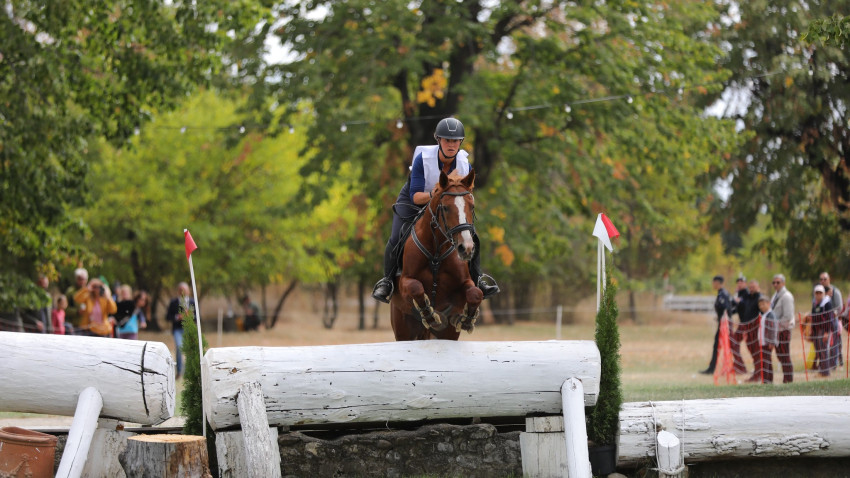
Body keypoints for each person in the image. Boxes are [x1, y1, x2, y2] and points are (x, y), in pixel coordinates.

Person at [371, 117, 499, 303]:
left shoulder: (464, 165)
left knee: (471, 235)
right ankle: (387, 281)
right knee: (397, 236)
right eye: (447, 140)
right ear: (438, 140)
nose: (451, 144)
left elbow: (467, 193)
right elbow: (416, 196)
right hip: (414, 201)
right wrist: (438, 195)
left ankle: (478, 278)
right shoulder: (423, 160)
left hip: (446, 204)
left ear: (460, 142)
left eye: (455, 141)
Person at [700, 275, 734, 374]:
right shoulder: (721, 293)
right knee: (719, 346)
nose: (713, 284)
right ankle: (713, 367)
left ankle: (719, 368)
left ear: (717, 283)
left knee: (725, 346)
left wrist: (723, 319)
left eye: (713, 282)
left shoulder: (723, 294)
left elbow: (727, 309)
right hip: (722, 323)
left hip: (725, 325)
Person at [730, 279, 761, 376]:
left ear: (758, 287)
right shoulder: (747, 296)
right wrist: (737, 293)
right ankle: (740, 367)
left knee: (753, 348)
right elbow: (737, 305)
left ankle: (758, 370)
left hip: (753, 326)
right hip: (743, 324)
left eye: (753, 287)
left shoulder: (759, 298)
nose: (751, 289)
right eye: (750, 287)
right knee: (733, 343)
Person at [769, 274, 795, 383]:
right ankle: (786, 379)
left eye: (778, 282)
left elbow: (788, 317)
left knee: (784, 356)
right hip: (776, 331)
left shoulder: (787, 296)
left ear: (783, 283)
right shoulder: (775, 295)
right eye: (774, 282)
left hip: (783, 330)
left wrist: (776, 326)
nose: (775, 284)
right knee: (780, 355)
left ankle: (788, 380)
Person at [806, 284, 837, 376]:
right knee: (818, 351)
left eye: (820, 293)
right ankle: (822, 370)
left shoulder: (827, 303)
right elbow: (813, 317)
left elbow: (829, 318)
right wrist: (811, 329)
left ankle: (825, 372)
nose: (818, 295)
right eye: (817, 293)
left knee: (823, 350)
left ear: (823, 293)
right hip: (816, 330)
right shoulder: (815, 303)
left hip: (823, 330)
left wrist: (827, 332)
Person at [166, 282, 194, 379]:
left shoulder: (192, 302)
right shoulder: (174, 302)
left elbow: (198, 318)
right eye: (181, 289)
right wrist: (178, 317)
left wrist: (189, 316)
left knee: (189, 350)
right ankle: (179, 371)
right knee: (179, 347)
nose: (183, 292)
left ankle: (188, 371)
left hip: (188, 328)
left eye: (185, 290)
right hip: (178, 329)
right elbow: (168, 317)